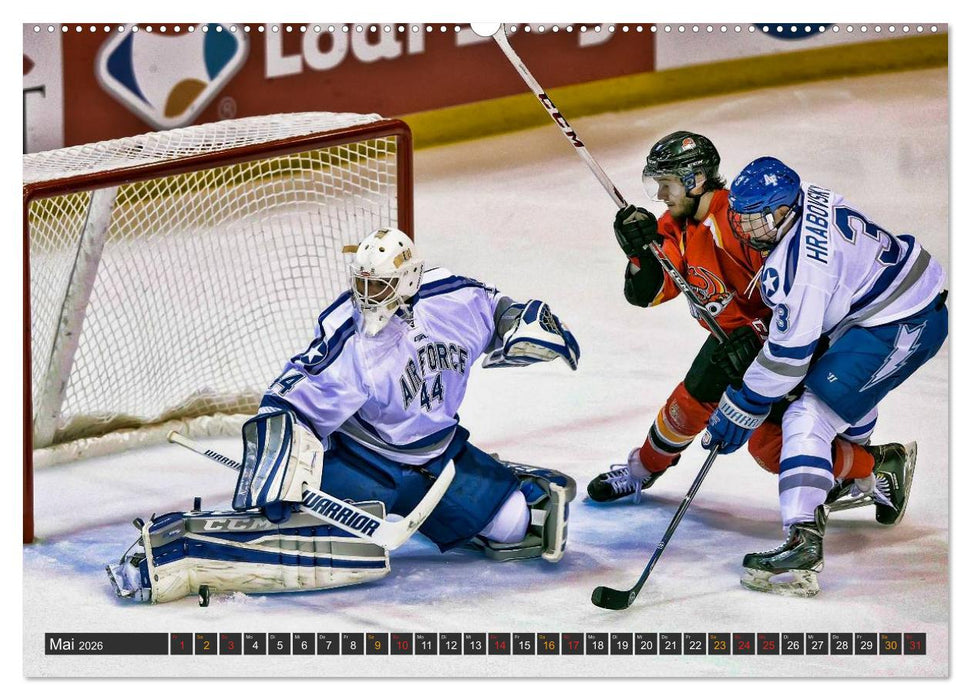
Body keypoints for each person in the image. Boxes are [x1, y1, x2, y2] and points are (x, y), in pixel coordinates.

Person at [107, 227, 579, 604]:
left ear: (409, 281)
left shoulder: (452, 300)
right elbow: (289, 399)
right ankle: (188, 546)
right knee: (298, 530)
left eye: (380, 285)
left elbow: (496, 305)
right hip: (363, 460)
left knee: (516, 525)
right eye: (362, 283)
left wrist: (520, 320)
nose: (368, 295)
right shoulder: (349, 337)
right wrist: (280, 463)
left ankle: (489, 486)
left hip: (440, 456)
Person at [586, 132, 891, 506]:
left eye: (666, 185)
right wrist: (639, 253)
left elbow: (800, 297)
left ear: (694, 180)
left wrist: (761, 338)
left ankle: (877, 465)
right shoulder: (674, 226)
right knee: (686, 406)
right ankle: (640, 470)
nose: (662, 196)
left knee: (769, 448)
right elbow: (647, 293)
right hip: (729, 341)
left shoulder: (745, 220)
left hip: (785, 348)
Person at [702, 157, 947, 597]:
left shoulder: (800, 269)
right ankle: (877, 468)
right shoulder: (807, 195)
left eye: (756, 220)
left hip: (902, 323)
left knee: (806, 418)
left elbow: (787, 357)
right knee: (827, 389)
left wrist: (739, 405)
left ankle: (802, 543)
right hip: (882, 308)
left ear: (783, 212)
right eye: (740, 216)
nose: (744, 229)